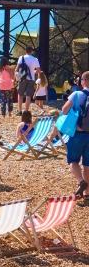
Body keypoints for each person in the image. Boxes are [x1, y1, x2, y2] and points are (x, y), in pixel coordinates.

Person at [60, 70, 89, 199]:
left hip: (78, 133)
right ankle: (87, 194)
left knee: (73, 161)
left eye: (81, 80)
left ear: (84, 81)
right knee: (87, 165)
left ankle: (81, 182)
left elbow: (64, 110)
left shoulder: (77, 94)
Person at [16, 46, 41, 113]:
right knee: (28, 95)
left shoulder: (21, 57)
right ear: (32, 51)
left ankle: (20, 110)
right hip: (31, 79)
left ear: (25, 51)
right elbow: (38, 71)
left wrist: (16, 78)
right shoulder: (35, 59)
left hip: (22, 78)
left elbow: (17, 69)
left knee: (20, 94)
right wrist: (33, 71)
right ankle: (26, 111)